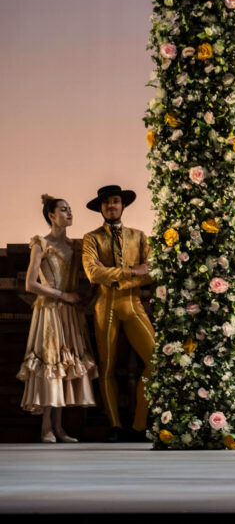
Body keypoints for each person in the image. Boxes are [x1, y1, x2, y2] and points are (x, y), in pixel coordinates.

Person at [18, 195, 98, 442]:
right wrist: (64, 295)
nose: (69, 213)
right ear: (51, 215)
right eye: (64, 210)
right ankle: (45, 427)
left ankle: (59, 427)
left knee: (66, 363)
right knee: (51, 361)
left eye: (70, 209)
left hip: (70, 313)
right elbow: (31, 284)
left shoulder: (76, 246)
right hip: (50, 310)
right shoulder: (41, 243)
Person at [82, 185, 154, 442]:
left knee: (156, 362)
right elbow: (93, 273)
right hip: (105, 307)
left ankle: (139, 425)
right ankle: (114, 424)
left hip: (133, 305)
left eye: (115, 201)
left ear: (123, 205)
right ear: (100, 208)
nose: (111, 206)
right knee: (107, 366)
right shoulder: (91, 238)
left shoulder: (139, 236)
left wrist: (117, 277)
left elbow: (154, 272)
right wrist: (133, 271)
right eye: (106, 203)